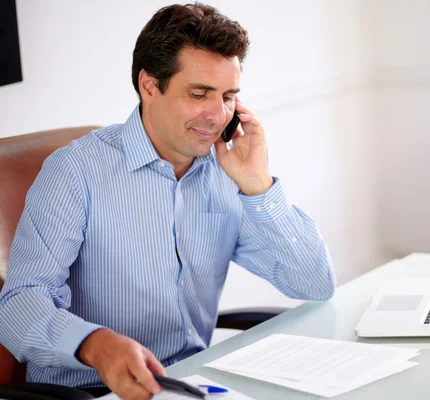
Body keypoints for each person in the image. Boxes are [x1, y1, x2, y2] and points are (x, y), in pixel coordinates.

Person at [0, 3, 335, 399]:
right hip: (93, 391)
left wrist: (259, 186)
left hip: (191, 383)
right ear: (149, 86)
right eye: (199, 94)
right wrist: (95, 344)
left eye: (229, 96)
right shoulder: (75, 172)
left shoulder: (227, 170)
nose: (217, 115)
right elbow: (19, 304)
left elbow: (313, 283)